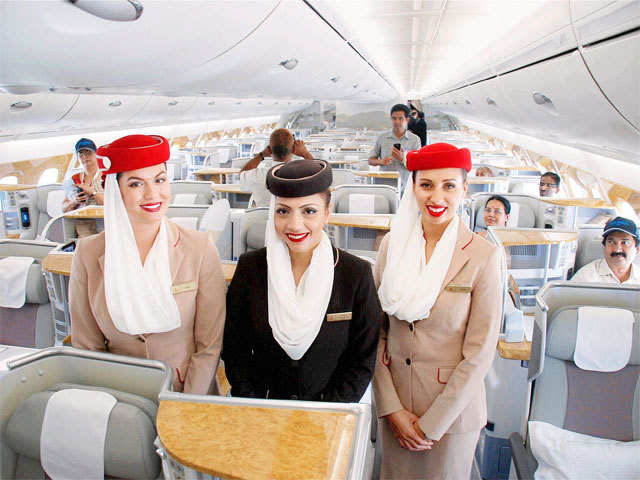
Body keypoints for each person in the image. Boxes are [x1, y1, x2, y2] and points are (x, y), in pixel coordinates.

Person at [373, 143, 503, 479]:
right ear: (412, 187)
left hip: (451, 417)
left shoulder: (483, 256)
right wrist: (391, 408)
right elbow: (375, 333)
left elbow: (480, 353)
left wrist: (432, 425)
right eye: (426, 185)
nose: (437, 197)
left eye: (449, 186)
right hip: (396, 406)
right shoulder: (392, 246)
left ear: (465, 189)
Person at [70, 134, 226, 394]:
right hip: (118, 393)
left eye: (160, 179)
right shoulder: (88, 254)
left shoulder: (199, 247)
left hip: (188, 390)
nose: (153, 193)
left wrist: (187, 406)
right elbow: (88, 347)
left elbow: (208, 346)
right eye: (135, 184)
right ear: (115, 191)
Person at [223, 159, 382, 402]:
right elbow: (235, 351)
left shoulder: (355, 274)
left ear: (327, 213)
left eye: (309, 211)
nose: (295, 225)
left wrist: (328, 412)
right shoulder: (251, 269)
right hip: (262, 410)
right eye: (283, 211)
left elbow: (362, 359)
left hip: (331, 415)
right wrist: (255, 404)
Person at [240, 128, 314, 207]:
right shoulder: (302, 174)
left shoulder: (256, 175)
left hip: (261, 218)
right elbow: (322, 174)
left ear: (269, 150)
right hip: (291, 218)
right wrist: (305, 153)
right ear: (294, 149)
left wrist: (261, 155)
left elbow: (242, 174)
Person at [369, 104, 421, 192]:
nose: (397, 121)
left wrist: (402, 159)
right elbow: (371, 160)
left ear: (407, 120)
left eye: (400, 118)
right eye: (394, 118)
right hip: (384, 185)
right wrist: (381, 161)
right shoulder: (382, 137)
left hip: (406, 186)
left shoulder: (415, 140)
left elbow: (418, 165)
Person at [572, 216, 639, 284]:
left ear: (637, 249)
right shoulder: (586, 277)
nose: (617, 249)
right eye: (611, 242)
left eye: (625, 242)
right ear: (604, 247)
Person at [62, 138, 105, 237]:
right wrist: (75, 201)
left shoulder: (106, 176)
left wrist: (93, 192)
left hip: (104, 225)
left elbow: (111, 206)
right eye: (81, 155)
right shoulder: (74, 180)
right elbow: (64, 209)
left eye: (88, 153)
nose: (85, 157)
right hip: (84, 227)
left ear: (96, 154)